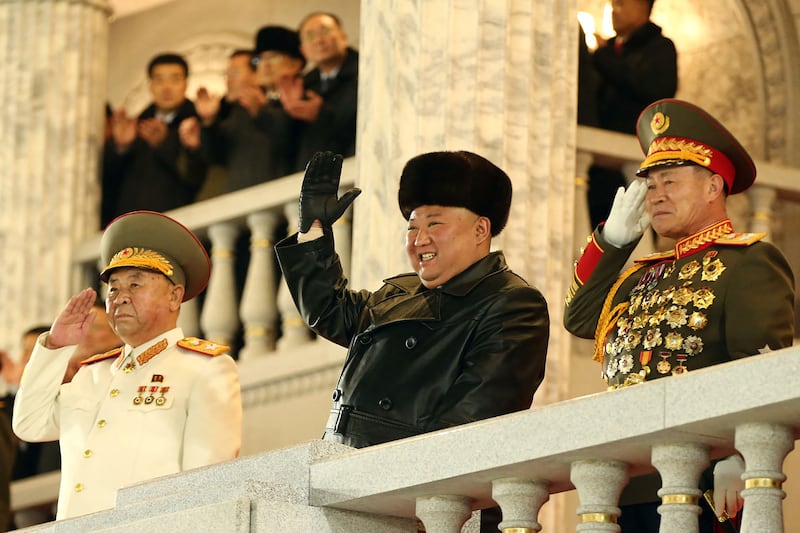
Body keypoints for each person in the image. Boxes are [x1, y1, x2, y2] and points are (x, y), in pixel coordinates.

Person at [564, 99, 795, 532]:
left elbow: (759, 370)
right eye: (650, 185)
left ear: (713, 186)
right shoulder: (641, 275)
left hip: (702, 482)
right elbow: (579, 320)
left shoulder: (748, 262)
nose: (657, 194)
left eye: (670, 180)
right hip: (622, 484)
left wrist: (736, 454)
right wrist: (613, 242)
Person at [12, 211, 242, 520]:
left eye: (135, 285)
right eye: (114, 288)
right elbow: (29, 424)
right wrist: (55, 346)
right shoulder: (90, 374)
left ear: (175, 297)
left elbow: (206, 485)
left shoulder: (205, 369)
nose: (120, 297)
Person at [585, 0, 678, 229]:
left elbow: (656, 89)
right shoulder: (608, 50)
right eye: (612, 4)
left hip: (635, 157)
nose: (613, 11)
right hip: (597, 166)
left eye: (621, 4)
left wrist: (604, 59)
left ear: (643, 7)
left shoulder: (660, 48)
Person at [102, 53, 207, 224]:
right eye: (159, 80)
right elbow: (109, 183)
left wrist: (164, 143)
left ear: (186, 84)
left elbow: (197, 175)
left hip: (177, 224)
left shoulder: (199, 122)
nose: (166, 87)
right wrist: (120, 147)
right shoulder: (135, 125)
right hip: (129, 225)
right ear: (150, 86)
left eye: (175, 79)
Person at [281, 13, 358, 170]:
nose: (319, 40)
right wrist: (288, 112)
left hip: (352, 169)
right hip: (312, 177)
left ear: (343, 37)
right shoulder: (304, 83)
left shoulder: (364, 72)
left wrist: (320, 114)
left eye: (325, 31)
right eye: (310, 36)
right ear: (303, 50)